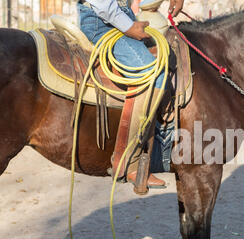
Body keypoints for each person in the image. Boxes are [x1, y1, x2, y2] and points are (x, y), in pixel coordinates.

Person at [77, 0, 185, 189]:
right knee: (152, 72)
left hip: (120, 16)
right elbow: (102, 5)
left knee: (167, 53)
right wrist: (129, 27)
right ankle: (129, 162)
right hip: (102, 22)